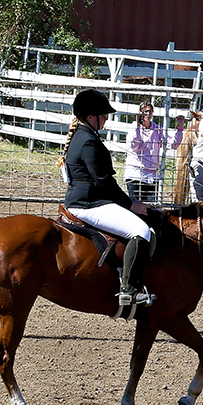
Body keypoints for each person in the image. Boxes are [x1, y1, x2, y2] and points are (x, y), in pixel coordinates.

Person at [63, 89, 155, 311]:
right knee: (140, 231)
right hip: (89, 204)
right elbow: (104, 182)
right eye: (103, 115)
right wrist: (131, 204)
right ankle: (129, 290)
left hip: (91, 199)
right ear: (90, 116)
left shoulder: (84, 136)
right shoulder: (87, 142)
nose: (105, 119)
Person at [123, 100, 165, 202]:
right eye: (145, 111)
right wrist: (138, 126)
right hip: (135, 173)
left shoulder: (157, 129)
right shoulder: (133, 127)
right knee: (136, 204)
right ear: (140, 113)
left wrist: (180, 128)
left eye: (150, 111)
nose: (148, 114)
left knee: (150, 207)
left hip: (151, 175)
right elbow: (134, 145)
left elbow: (171, 143)